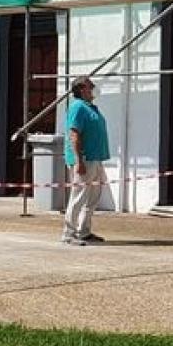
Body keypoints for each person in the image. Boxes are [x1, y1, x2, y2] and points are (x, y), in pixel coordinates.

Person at [62, 77, 109, 245]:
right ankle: (69, 233)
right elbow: (74, 134)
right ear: (82, 89)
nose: (94, 88)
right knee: (79, 196)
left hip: (96, 158)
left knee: (93, 197)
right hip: (85, 159)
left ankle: (84, 230)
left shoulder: (90, 107)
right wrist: (78, 160)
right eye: (90, 85)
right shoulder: (77, 107)